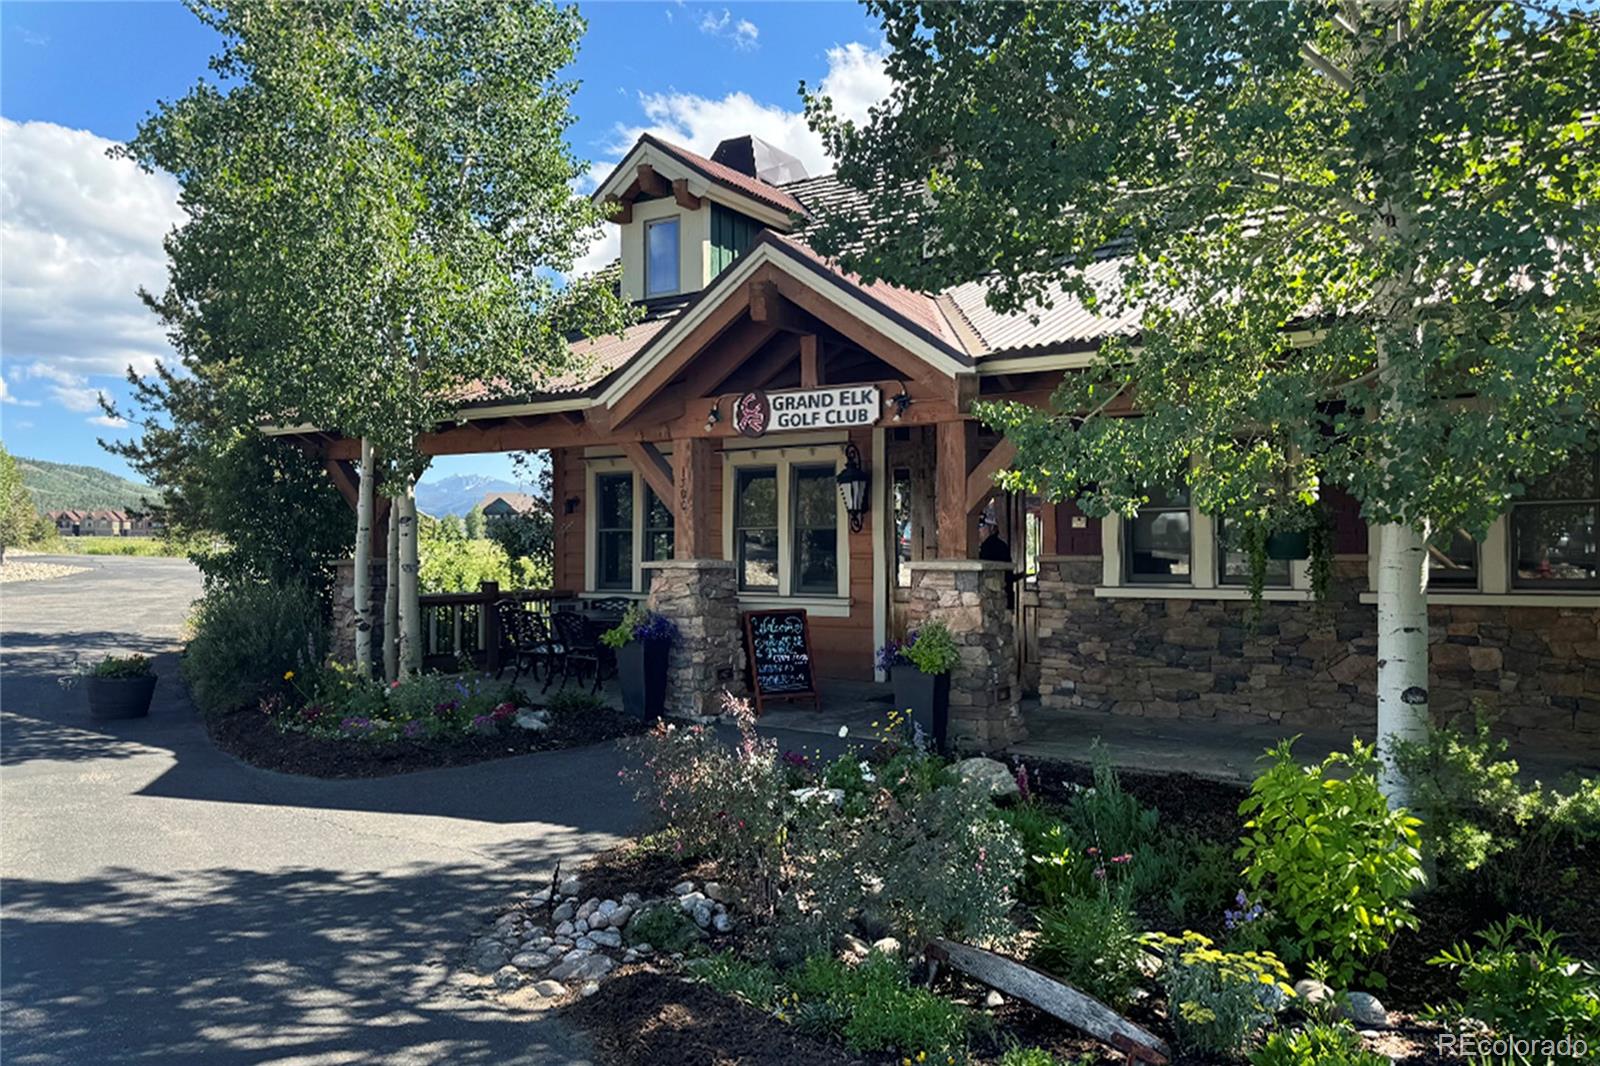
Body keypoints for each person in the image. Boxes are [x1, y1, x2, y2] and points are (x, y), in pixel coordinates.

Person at [978, 518, 1016, 608]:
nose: (978, 530)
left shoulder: (991, 546)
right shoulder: (993, 545)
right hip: (1003, 594)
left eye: (981, 526)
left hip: (996, 594)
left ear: (991, 528)